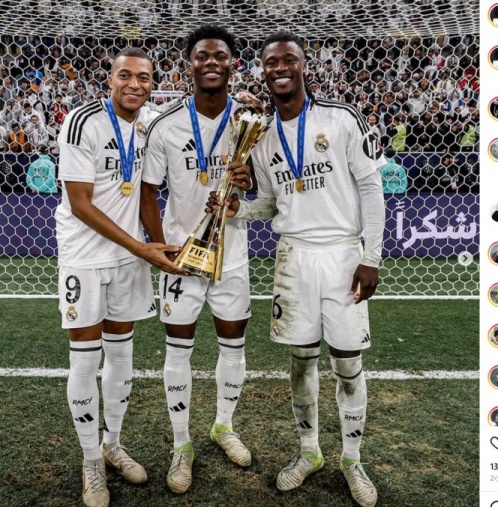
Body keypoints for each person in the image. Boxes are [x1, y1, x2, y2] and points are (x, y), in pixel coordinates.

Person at [209, 30, 385, 507]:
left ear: (304, 65)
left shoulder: (341, 118)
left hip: (343, 255)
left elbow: (371, 188)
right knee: (301, 360)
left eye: (289, 60)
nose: (280, 68)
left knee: (347, 364)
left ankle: (352, 459)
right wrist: (237, 210)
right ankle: (310, 452)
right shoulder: (262, 137)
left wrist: (370, 257)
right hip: (294, 256)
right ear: (263, 71)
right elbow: (268, 203)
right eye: (271, 63)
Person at [55, 47, 185, 507]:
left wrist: (242, 102)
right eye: (125, 75)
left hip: (129, 260)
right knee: (84, 361)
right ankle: (91, 460)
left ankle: (111, 444)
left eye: (143, 78)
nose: (134, 84)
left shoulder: (151, 123)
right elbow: (80, 204)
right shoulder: (82, 121)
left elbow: (191, 118)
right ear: (110, 79)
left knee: (121, 355)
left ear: (153, 83)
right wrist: (142, 246)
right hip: (85, 258)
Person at [140, 24, 257, 495]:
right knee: (178, 350)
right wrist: (158, 248)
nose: (211, 62)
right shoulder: (165, 124)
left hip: (232, 256)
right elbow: (148, 192)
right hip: (181, 258)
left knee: (234, 346)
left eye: (220, 56)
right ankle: (181, 444)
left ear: (232, 64)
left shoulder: (250, 121)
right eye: (202, 56)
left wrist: (243, 193)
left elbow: (262, 189)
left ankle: (223, 426)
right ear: (188, 64)